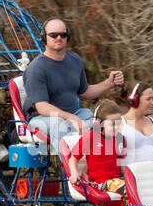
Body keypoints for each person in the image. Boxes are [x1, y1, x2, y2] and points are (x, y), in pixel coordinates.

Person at [23, 17, 123, 152]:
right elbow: (41, 107)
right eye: (53, 35)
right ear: (44, 38)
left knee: (100, 123)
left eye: (63, 35)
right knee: (59, 125)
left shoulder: (75, 61)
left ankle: (107, 166)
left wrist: (109, 83)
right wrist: (71, 118)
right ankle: (71, 170)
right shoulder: (37, 68)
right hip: (41, 119)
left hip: (75, 114)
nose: (59, 38)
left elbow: (84, 92)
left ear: (67, 37)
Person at [67, 100, 126, 195]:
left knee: (135, 189)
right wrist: (74, 174)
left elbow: (123, 166)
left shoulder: (120, 139)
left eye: (118, 124)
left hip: (116, 182)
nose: (116, 127)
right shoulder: (90, 137)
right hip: (98, 184)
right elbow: (73, 159)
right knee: (127, 191)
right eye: (112, 124)